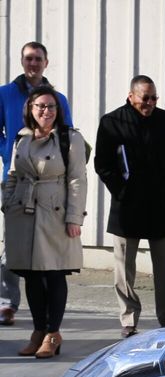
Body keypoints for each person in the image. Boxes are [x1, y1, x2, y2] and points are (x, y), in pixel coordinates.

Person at [94, 75, 165, 337]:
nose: (150, 103)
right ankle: (128, 320)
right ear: (131, 96)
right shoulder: (112, 122)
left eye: (154, 97)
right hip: (127, 206)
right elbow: (103, 164)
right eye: (145, 98)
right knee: (124, 268)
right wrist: (121, 191)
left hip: (159, 204)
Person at [1, 86, 87, 358]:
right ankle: (38, 331)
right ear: (30, 108)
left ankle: (53, 333)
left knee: (54, 272)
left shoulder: (69, 139)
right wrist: (7, 202)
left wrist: (74, 217)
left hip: (55, 211)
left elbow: (77, 180)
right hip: (23, 213)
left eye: (51, 106)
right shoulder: (22, 138)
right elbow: (13, 173)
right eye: (40, 106)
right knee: (32, 275)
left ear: (58, 110)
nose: (46, 111)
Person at [0, 41, 72, 327]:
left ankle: (46, 316)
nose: (33, 63)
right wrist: (10, 150)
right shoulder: (5, 94)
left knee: (47, 246)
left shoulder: (58, 98)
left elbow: (66, 136)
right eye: (28, 58)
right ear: (22, 61)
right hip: (16, 177)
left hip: (50, 183)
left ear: (46, 62)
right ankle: (7, 302)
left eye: (38, 59)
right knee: (13, 243)